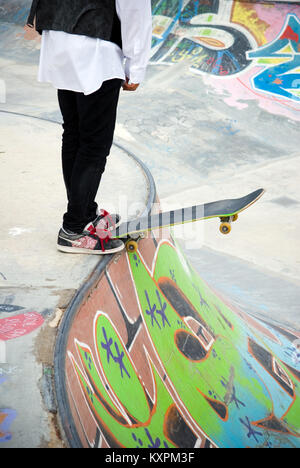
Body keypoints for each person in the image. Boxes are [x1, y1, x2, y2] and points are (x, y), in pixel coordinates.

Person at [27, 0, 152, 255]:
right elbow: (135, 11)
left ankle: (83, 214)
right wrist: (136, 67)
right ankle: (72, 229)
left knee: (73, 132)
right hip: (95, 46)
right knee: (94, 143)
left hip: (59, 37)